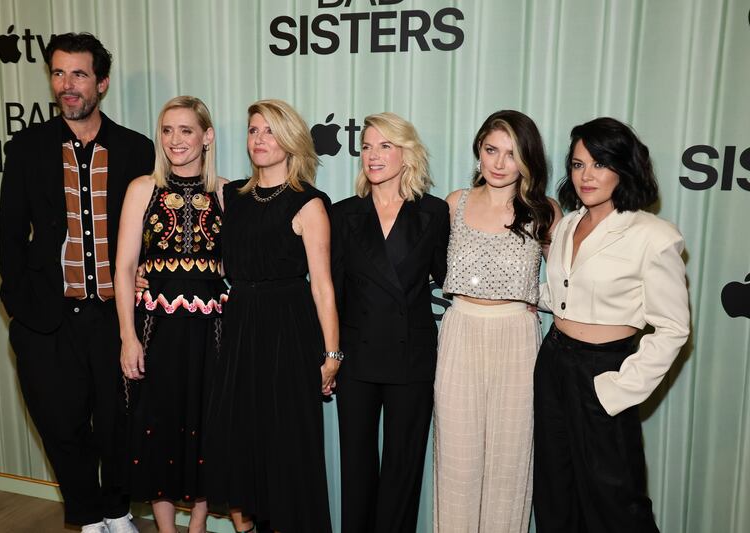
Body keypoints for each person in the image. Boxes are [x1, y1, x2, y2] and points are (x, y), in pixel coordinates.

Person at [0, 32, 154, 533]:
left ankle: (117, 510)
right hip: (48, 318)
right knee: (60, 426)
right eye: (59, 73)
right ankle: (87, 516)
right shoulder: (27, 148)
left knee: (118, 426)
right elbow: (9, 231)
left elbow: (150, 230)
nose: (68, 84)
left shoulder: (136, 149)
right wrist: (19, 301)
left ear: (101, 83)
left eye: (80, 74)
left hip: (115, 317)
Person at [533, 117, 690, 532]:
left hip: (604, 369)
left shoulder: (653, 236)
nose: (587, 176)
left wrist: (620, 388)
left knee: (616, 499)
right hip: (553, 363)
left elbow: (673, 328)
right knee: (555, 491)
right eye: (579, 164)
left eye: (600, 164)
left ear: (624, 168)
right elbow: (559, 295)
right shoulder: (567, 224)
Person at [204, 99, 339, 533]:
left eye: (270, 131)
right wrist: (146, 273)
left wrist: (333, 354)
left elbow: (322, 286)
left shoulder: (309, 203)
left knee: (286, 445)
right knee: (240, 439)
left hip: (288, 330)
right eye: (253, 130)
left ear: (292, 140)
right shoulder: (230, 196)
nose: (260, 139)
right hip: (240, 326)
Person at [433, 110, 560, 533]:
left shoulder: (545, 211)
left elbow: (569, 284)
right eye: (492, 150)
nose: (500, 163)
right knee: (457, 460)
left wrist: (532, 297)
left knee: (510, 461)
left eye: (512, 153)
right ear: (479, 150)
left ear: (528, 160)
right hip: (460, 331)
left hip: (517, 340)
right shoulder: (455, 203)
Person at [330, 112, 450, 533]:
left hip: (412, 357)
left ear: (406, 153)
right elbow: (332, 292)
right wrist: (329, 354)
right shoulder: (343, 214)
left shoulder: (434, 213)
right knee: (357, 466)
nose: (373, 155)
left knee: (404, 467)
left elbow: (449, 277)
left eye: (385, 146)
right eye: (366, 146)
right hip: (358, 355)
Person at [114, 96, 228, 533]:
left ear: (206, 136)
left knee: (206, 424)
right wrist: (128, 335)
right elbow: (123, 267)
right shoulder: (142, 188)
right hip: (154, 329)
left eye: (186, 130)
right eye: (167, 130)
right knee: (155, 427)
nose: (175, 140)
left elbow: (245, 265)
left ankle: (197, 524)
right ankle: (166, 529)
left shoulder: (224, 191)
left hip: (211, 331)